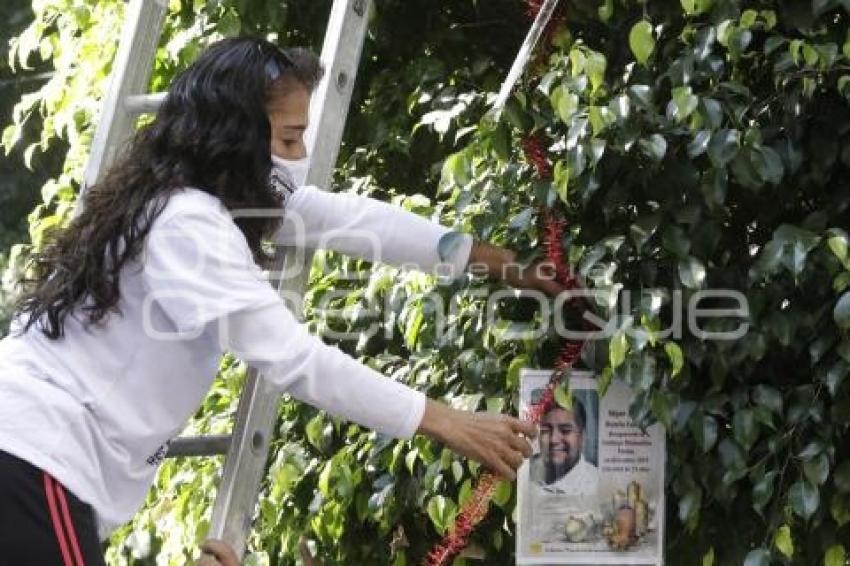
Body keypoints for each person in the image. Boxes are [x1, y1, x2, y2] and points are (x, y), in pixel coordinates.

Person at [0, 38, 565, 564]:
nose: (295, 159)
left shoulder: (193, 199)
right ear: (236, 138)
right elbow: (292, 357)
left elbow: (348, 219)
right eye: (289, 139)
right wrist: (444, 421)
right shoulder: (187, 223)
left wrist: (504, 264)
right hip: (36, 454)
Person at [536, 399, 598, 495]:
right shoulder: (526, 471)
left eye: (565, 430)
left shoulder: (596, 486)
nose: (554, 440)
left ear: (582, 437)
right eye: (546, 430)